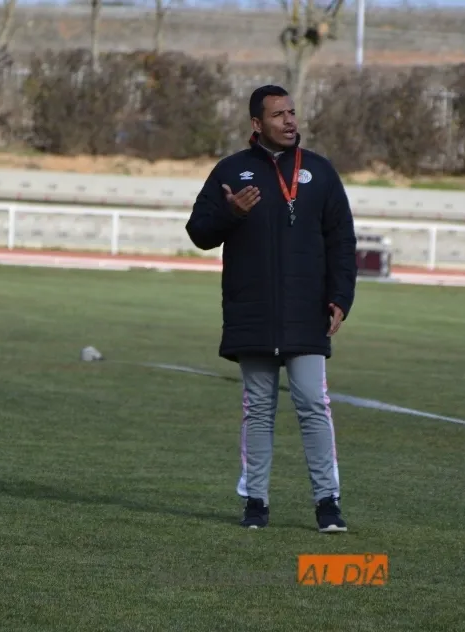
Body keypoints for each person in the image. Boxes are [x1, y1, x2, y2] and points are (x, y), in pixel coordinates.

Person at [185, 84, 358, 533]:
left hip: (306, 313)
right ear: (256, 123)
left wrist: (340, 297)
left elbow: (342, 240)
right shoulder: (231, 171)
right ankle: (255, 503)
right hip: (253, 311)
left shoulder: (319, 171)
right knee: (258, 409)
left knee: (313, 404)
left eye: (292, 112)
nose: (290, 121)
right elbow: (199, 232)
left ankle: (328, 503)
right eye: (279, 114)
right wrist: (232, 214)